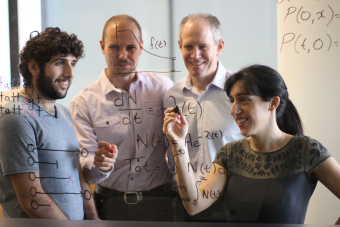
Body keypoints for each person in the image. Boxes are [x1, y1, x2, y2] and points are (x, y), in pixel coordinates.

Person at [163, 64, 340, 224]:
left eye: (244, 99)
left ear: (273, 103)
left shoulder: (307, 150)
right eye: (232, 100)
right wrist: (178, 144)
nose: (234, 110)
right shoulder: (230, 154)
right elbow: (194, 204)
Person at [69, 14, 174, 221]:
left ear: (142, 47)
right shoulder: (83, 102)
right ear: (102, 46)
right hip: (109, 204)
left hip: (161, 202)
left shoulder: (164, 89)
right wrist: (98, 163)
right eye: (114, 47)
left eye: (131, 48)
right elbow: (84, 166)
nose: (123, 55)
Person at [0, 27, 98, 219]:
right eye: (60, 62)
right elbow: (32, 200)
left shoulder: (63, 113)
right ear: (34, 67)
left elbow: (77, 176)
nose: (70, 73)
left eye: (73, 63)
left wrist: (95, 221)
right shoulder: (16, 117)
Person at [163, 13, 244, 221]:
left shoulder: (239, 93)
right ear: (180, 46)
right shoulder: (171, 96)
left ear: (219, 46)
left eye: (203, 46)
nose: (195, 54)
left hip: (233, 205)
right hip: (185, 205)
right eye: (188, 46)